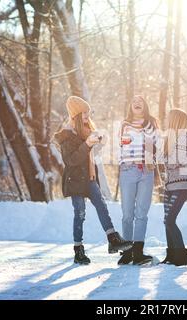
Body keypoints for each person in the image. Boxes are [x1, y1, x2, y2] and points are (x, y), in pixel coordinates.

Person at [54, 96, 132, 265]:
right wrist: (88, 144)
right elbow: (72, 160)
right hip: (75, 181)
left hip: (89, 178)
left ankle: (113, 239)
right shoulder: (66, 135)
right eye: (84, 113)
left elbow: (91, 155)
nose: (87, 116)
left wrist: (99, 144)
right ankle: (78, 249)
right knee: (80, 213)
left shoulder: (87, 130)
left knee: (102, 206)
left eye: (88, 112)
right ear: (76, 115)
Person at [117, 95, 161, 265]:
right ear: (130, 106)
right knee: (127, 213)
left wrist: (148, 126)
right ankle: (127, 252)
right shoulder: (125, 125)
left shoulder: (152, 124)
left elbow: (155, 143)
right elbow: (124, 144)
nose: (136, 103)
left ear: (145, 106)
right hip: (128, 169)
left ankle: (138, 252)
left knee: (141, 213)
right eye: (133, 101)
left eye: (140, 101)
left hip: (146, 171)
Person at [161, 109, 187, 266]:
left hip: (182, 185)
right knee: (167, 220)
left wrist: (164, 160)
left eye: (168, 118)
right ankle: (171, 256)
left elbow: (177, 160)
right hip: (170, 185)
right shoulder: (169, 139)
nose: (166, 120)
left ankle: (181, 256)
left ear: (175, 120)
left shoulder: (184, 137)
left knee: (170, 220)